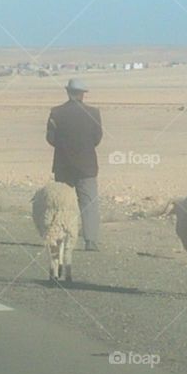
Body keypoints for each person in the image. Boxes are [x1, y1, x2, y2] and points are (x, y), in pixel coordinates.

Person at [46, 78, 103, 251]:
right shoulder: (93, 113)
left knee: (63, 204)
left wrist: (64, 148)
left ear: (67, 92)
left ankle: (61, 238)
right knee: (89, 203)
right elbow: (97, 138)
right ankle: (90, 241)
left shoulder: (56, 113)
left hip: (63, 166)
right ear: (82, 94)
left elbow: (50, 138)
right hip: (87, 166)